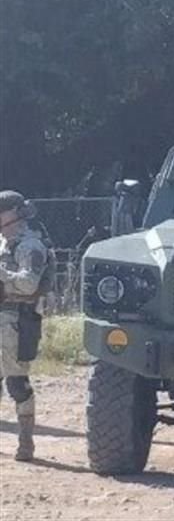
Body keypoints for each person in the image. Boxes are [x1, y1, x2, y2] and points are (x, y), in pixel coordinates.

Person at [0, 190, 51, 462]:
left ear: (15, 214)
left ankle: (26, 442)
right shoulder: (3, 243)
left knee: (17, 383)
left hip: (16, 321)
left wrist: (2, 274)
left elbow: (29, 283)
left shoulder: (31, 246)